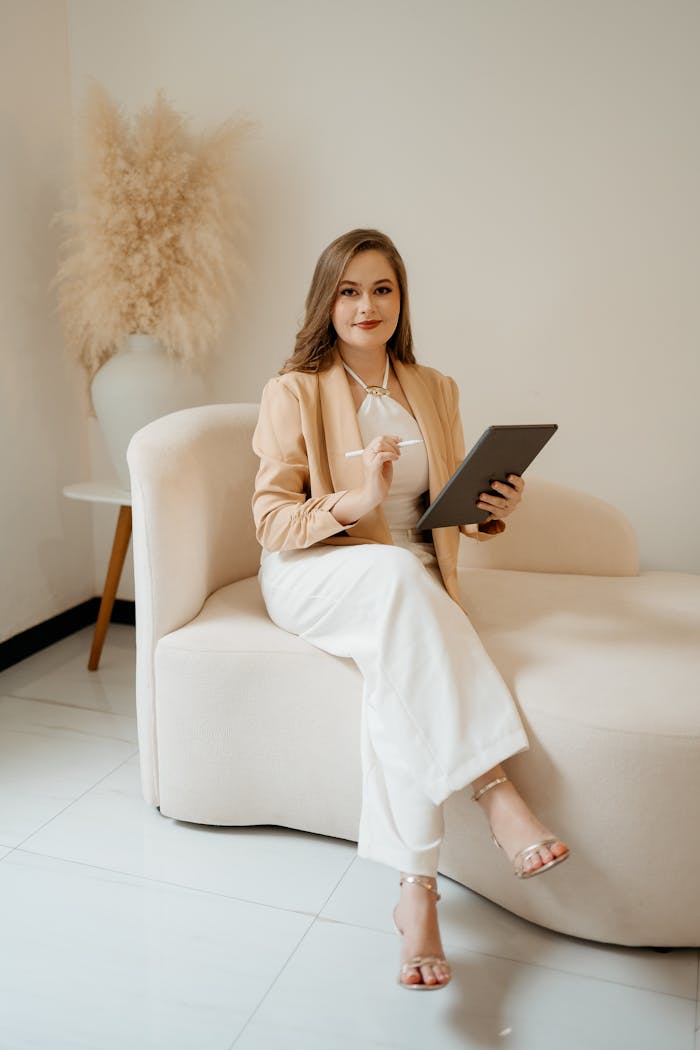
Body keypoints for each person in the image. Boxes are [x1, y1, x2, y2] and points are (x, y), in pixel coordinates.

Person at [251, 228, 570, 991]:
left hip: (410, 576)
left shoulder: (435, 388)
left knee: (397, 661)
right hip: (315, 570)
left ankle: (415, 894)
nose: (367, 305)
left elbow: (447, 508)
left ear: (401, 300)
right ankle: (496, 791)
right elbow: (270, 521)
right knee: (394, 578)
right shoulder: (293, 390)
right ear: (327, 302)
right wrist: (357, 499)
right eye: (349, 290)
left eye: (382, 289)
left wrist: (492, 508)